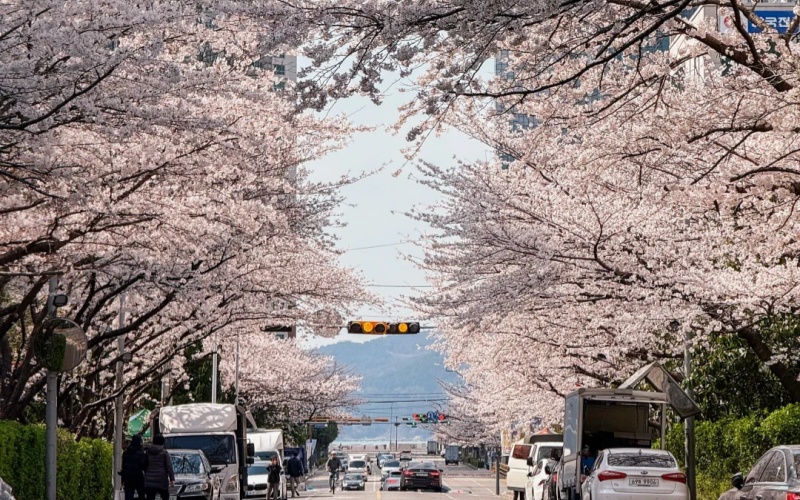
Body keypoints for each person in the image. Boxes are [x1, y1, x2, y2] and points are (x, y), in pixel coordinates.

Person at [143, 434, 174, 500]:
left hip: (149, 480)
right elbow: (169, 466)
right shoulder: (164, 453)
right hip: (161, 479)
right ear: (162, 442)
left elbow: (144, 464)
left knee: (150, 497)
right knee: (165, 496)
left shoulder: (148, 452)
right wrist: (172, 479)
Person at [120, 435, 147, 500]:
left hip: (128, 477)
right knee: (141, 494)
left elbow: (123, 466)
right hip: (138, 476)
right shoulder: (141, 453)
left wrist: (122, 479)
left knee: (129, 495)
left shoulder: (126, 453)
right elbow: (144, 466)